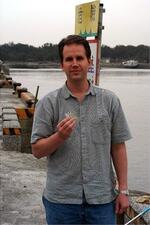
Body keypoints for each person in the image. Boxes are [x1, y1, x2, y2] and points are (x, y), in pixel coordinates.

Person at [31, 34, 132, 225]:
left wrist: (124, 191)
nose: (74, 63)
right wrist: (59, 137)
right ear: (62, 65)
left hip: (102, 200)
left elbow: (118, 147)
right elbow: (37, 150)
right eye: (69, 59)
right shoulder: (48, 103)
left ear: (89, 62)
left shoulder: (110, 100)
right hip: (61, 201)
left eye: (80, 58)